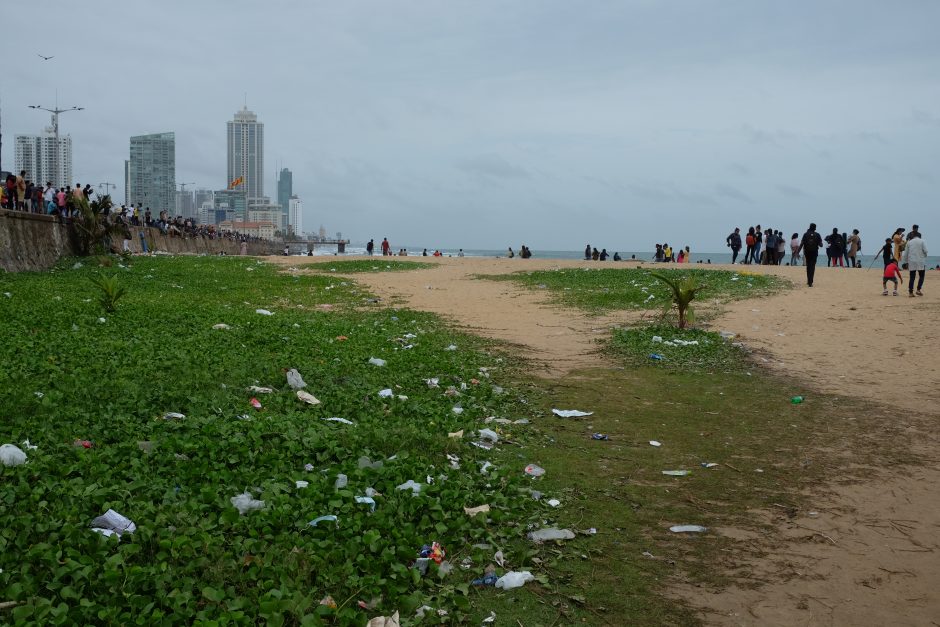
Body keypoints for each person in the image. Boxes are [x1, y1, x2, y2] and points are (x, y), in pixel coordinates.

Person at [796, 223, 824, 287]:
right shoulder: (817, 235)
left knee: (808, 265)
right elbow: (821, 245)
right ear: (815, 228)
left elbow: (801, 244)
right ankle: (811, 281)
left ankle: (809, 281)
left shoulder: (805, 234)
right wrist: (818, 242)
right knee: (812, 266)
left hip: (807, 252)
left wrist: (797, 252)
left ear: (809, 227)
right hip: (814, 252)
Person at [904, 231, 927, 296]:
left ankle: (910, 292)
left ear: (914, 236)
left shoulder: (909, 242)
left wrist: (906, 262)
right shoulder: (922, 241)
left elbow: (906, 254)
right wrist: (924, 256)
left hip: (912, 261)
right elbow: (925, 251)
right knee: (921, 276)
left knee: (912, 277)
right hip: (920, 261)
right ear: (920, 236)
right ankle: (918, 290)